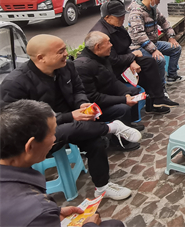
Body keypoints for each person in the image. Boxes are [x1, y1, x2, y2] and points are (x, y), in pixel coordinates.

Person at [0, 35, 140, 200]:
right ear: (41, 58)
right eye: (61, 51)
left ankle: (102, 187)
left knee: (96, 141)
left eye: (65, 49)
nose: (66, 54)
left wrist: (82, 104)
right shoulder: (15, 83)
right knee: (73, 127)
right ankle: (112, 128)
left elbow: (79, 89)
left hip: (71, 120)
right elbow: (18, 122)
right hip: (36, 134)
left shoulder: (67, 67)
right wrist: (68, 116)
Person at [0, 100, 125, 227]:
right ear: (31, 146)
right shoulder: (36, 209)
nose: (55, 139)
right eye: (53, 134)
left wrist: (55, 212)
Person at [90, 0, 177, 112]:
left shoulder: (116, 26)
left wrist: (132, 61)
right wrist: (132, 57)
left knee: (149, 63)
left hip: (124, 60)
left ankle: (157, 99)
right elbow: (112, 60)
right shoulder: (101, 34)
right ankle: (152, 100)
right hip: (111, 69)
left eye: (122, 15)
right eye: (119, 16)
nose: (123, 19)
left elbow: (126, 46)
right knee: (144, 69)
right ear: (107, 17)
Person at [74, 32, 143, 150]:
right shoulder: (82, 66)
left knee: (133, 91)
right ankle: (119, 142)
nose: (111, 45)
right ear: (98, 46)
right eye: (108, 42)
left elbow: (112, 80)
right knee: (123, 108)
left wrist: (125, 93)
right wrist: (123, 99)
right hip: (94, 107)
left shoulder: (102, 57)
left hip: (106, 95)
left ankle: (127, 124)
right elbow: (93, 97)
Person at [127, 0, 185, 85]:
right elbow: (139, 35)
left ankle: (172, 76)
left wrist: (171, 36)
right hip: (139, 47)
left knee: (176, 48)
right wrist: (153, 50)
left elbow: (164, 22)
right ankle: (160, 88)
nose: (158, 3)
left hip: (153, 43)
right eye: (158, 1)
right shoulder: (136, 13)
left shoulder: (153, 10)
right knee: (160, 60)